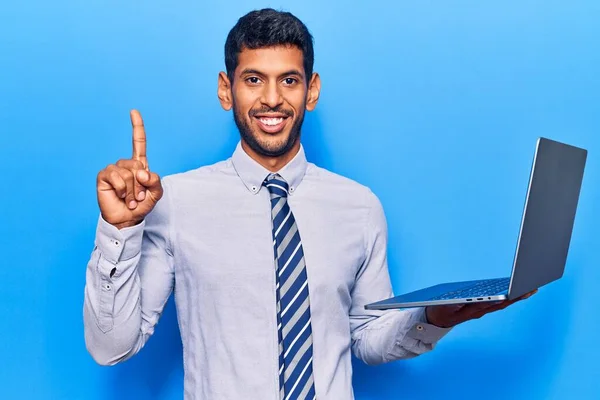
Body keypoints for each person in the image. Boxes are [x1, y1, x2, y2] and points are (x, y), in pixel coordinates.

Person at [83, 8, 535, 399]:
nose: (272, 99)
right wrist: (118, 231)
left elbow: (366, 339)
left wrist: (433, 318)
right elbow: (111, 347)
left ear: (311, 90)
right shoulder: (175, 202)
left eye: (290, 80)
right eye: (254, 79)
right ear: (227, 90)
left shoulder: (359, 207)